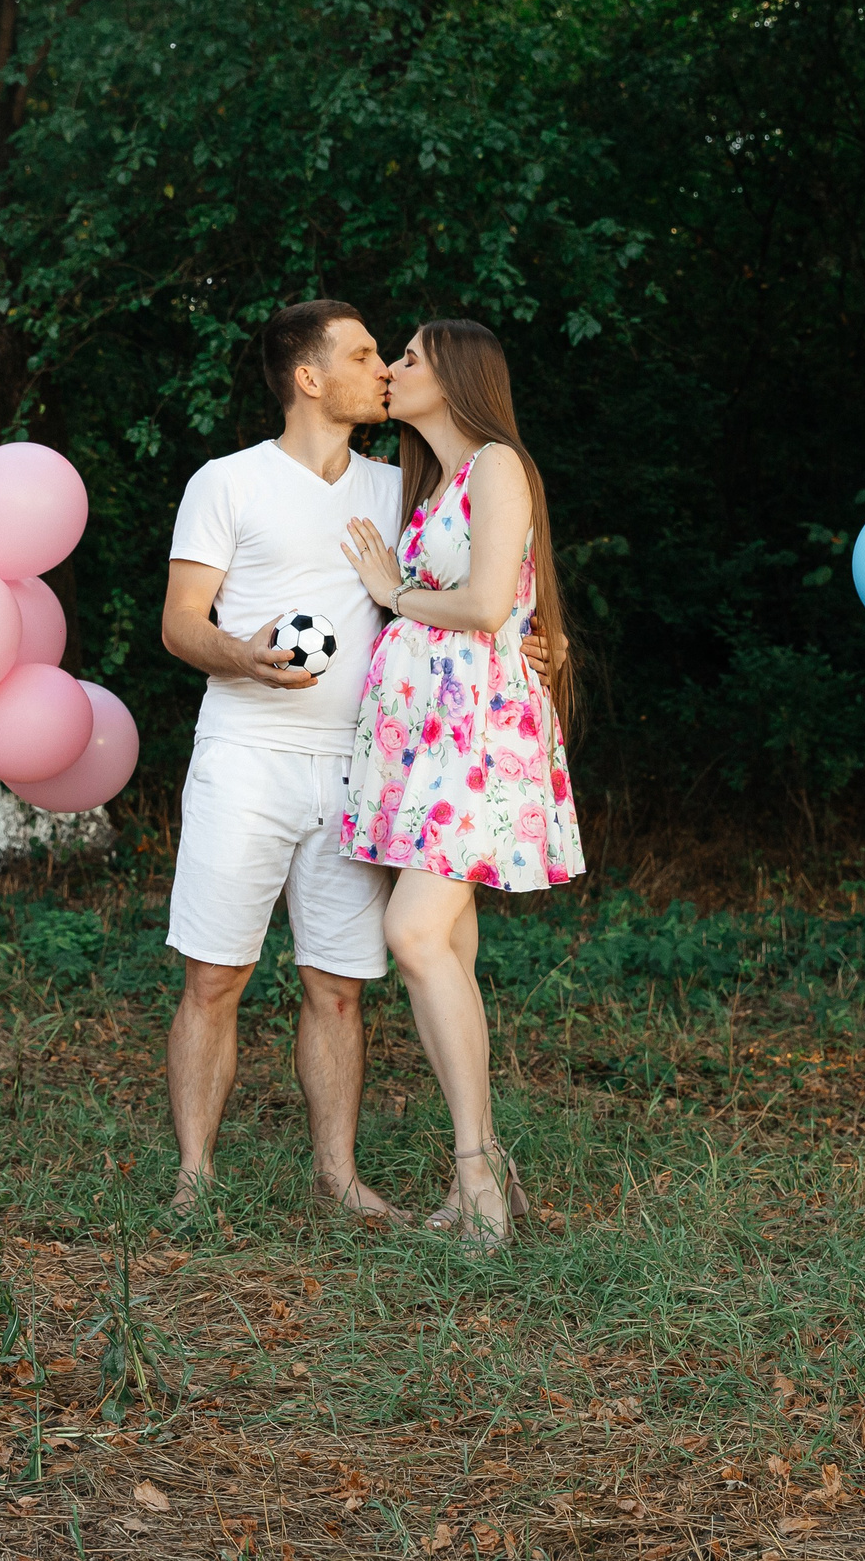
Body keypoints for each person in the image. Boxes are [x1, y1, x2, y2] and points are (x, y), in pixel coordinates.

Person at [160, 300, 559, 1224]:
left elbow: (486, 580)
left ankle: (336, 1179)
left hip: (365, 769)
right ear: (308, 377)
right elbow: (181, 623)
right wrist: (241, 652)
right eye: (365, 354)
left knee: (339, 985)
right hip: (247, 752)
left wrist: (541, 648)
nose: (384, 367)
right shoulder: (227, 481)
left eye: (393, 354)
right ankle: (194, 1181)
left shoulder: (398, 487)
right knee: (215, 975)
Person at [338, 318, 584, 1251]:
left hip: (474, 732)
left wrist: (389, 589)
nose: (393, 370)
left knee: (411, 931)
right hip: (429, 734)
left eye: (406, 356)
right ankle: (480, 1168)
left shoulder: (496, 465)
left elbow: (486, 606)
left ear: (456, 373)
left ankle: (479, 1175)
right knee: (452, 948)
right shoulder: (435, 482)